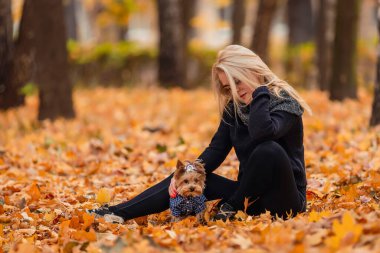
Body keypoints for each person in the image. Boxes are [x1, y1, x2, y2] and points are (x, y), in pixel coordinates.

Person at [87, 44, 312, 223]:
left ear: (252, 70)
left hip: (285, 201)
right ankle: (118, 213)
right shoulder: (234, 108)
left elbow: (263, 133)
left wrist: (260, 92)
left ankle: (230, 207)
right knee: (189, 174)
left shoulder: (285, 102)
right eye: (227, 87)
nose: (234, 89)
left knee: (268, 149)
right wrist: (187, 172)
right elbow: (216, 150)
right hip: (250, 198)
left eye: (237, 80)